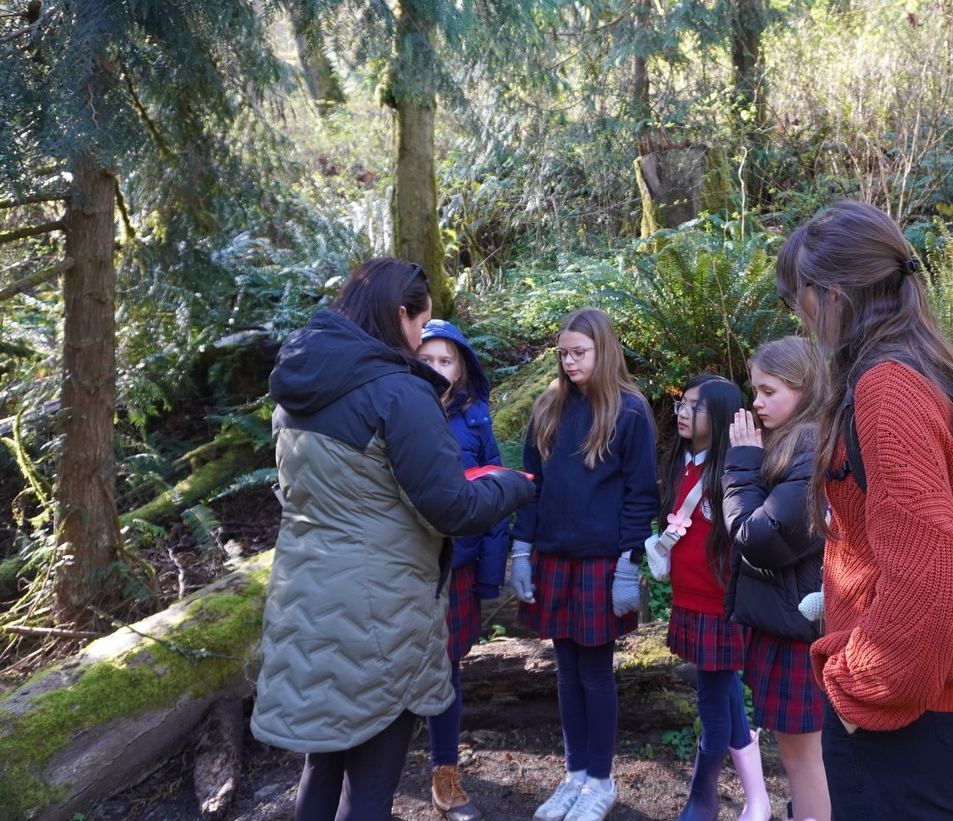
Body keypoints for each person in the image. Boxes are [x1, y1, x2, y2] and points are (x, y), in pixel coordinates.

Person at [253, 257, 535, 821]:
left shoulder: (298, 389)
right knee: (372, 788)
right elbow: (450, 506)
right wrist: (511, 484)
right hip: (378, 615)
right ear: (401, 314)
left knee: (322, 766)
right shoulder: (397, 393)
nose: (420, 338)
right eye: (420, 323)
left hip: (305, 601)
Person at [777, 200, 953, 821]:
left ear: (831, 294)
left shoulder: (887, 388)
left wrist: (859, 693)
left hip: (908, 714)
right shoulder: (923, 364)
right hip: (935, 700)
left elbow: (932, 569)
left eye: (798, 297)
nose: (799, 314)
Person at [508, 307, 659, 821]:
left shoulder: (631, 411)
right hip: (553, 560)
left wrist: (627, 563)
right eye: (564, 353)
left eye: (580, 353)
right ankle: (574, 776)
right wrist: (521, 552)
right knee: (565, 673)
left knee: (595, 673)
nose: (570, 362)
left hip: (601, 565)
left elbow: (642, 496)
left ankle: (601, 780)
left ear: (604, 350)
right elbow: (532, 488)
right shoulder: (548, 406)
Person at [644, 374, 770, 821]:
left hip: (720, 606)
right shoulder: (680, 462)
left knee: (713, 699)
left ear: (718, 416)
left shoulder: (732, 470)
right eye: (683, 403)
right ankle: (757, 799)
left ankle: (703, 797)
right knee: (721, 689)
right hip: (688, 600)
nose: (682, 411)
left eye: (695, 407)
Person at [722, 337, 832, 821]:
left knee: (804, 757)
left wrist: (741, 464)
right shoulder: (798, 440)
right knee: (807, 755)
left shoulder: (809, 449)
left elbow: (757, 536)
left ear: (805, 388)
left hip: (799, 630)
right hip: (790, 620)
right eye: (755, 391)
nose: (757, 403)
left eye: (769, 391)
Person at [416, 319, 511, 821]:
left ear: (462, 367)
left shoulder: (475, 419)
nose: (435, 369)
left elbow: (495, 493)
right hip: (404, 569)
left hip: (459, 568)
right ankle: (374, 781)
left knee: (447, 673)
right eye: (426, 359)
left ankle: (444, 775)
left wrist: (491, 576)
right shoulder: (394, 411)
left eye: (445, 360)